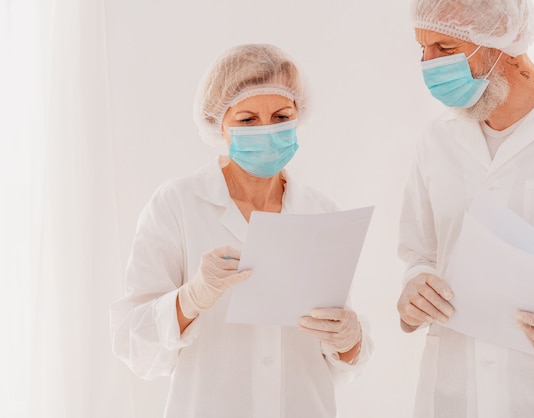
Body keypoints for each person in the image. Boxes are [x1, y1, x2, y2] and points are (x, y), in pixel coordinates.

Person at [110, 43, 372, 418]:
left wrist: (349, 338)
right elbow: (132, 343)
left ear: (299, 116)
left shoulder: (320, 211)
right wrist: (191, 298)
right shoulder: (177, 204)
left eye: (281, 116)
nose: (266, 131)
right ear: (220, 123)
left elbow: (343, 362)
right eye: (248, 120)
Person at [396, 0, 534, 417]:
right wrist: (415, 285)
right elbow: (419, 251)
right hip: (452, 399)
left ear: (502, 37)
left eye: (445, 49)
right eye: (422, 49)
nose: (428, 66)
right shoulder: (437, 138)